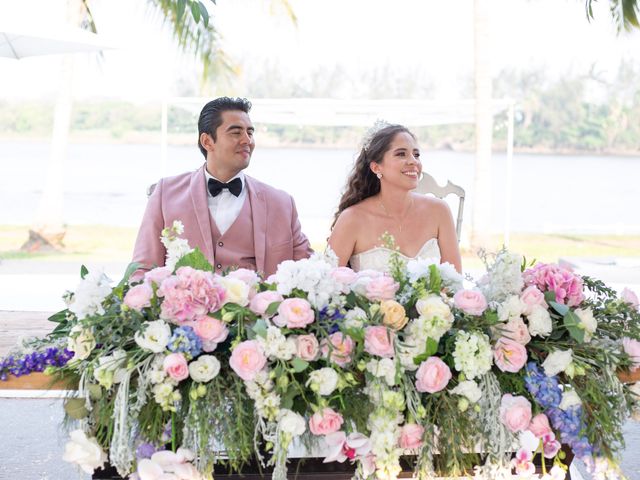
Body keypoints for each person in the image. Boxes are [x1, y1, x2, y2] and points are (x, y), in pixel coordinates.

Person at [132, 97, 313, 277]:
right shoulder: (166, 193)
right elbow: (142, 270)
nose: (247, 140)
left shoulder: (281, 204)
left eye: (250, 132)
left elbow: (308, 271)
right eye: (236, 133)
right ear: (207, 142)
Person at [328, 124, 462, 273]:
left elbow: (454, 283)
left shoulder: (439, 211)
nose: (413, 161)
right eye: (401, 154)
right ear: (376, 168)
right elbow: (328, 286)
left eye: (416, 155)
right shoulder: (352, 219)